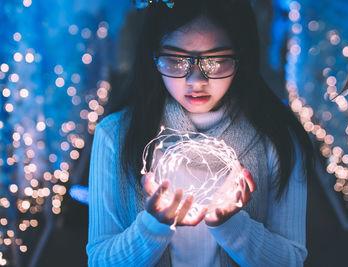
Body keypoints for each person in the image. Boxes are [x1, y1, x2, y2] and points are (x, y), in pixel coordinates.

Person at [86, 0, 315, 266]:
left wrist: (231, 225)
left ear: (242, 57)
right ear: (153, 57)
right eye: (175, 60)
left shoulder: (278, 138)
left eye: (216, 61)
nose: (196, 81)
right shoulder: (115, 135)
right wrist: (153, 226)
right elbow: (99, 260)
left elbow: (291, 260)